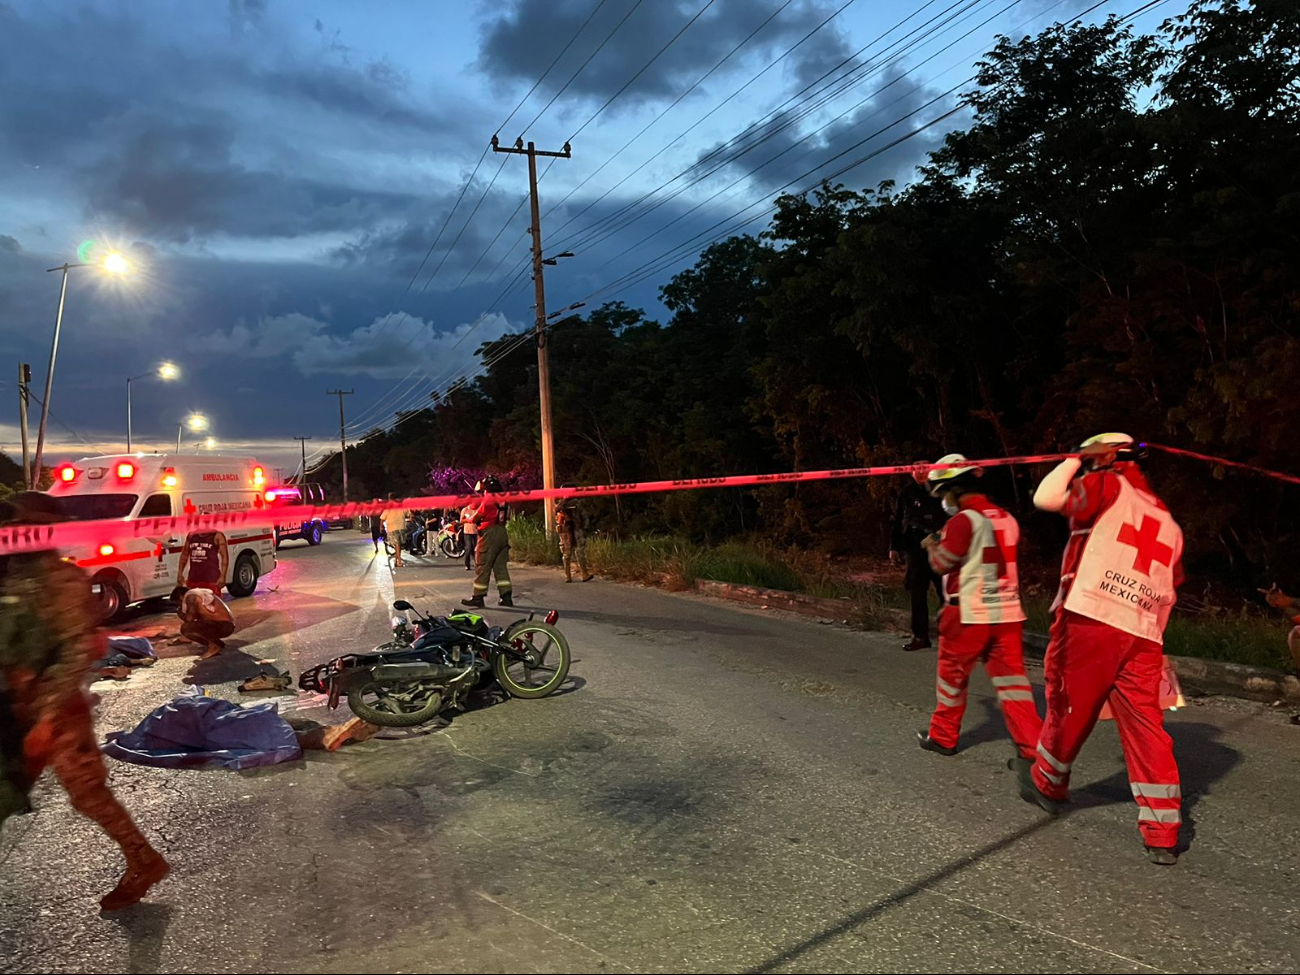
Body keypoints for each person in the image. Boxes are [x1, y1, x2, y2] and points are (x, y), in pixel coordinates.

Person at [1020, 433, 1186, 865]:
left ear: (1106, 456)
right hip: (1144, 632)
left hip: (1093, 617)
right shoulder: (1168, 521)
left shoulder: (1108, 484)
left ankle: (1048, 781)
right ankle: (1163, 829)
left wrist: (1074, 460)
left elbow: (1046, 496)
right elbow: (1171, 586)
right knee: (1146, 726)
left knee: (1069, 705)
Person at [0, 492, 169, 910]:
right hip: (14, 709)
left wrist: (45, 717)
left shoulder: (63, 580)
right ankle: (143, 859)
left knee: (87, 793)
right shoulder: (11, 576)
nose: (11, 533)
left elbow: (77, 649)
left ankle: (143, 860)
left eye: (18, 526)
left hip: (54, 712)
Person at [917, 454, 1041, 761]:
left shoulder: (962, 521)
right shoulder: (1006, 518)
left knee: (952, 679)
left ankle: (943, 737)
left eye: (943, 493)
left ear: (954, 490)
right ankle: (1034, 751)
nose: (943, 500)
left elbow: (942, 564)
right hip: (1008, 612)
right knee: (1015, 687)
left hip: (968, 613)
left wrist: (932, 544)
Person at [891, 461, 947, 650]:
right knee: (917, 593)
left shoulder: (940, 489)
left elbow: (950, 516)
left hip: (939, 546)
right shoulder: (906, 492)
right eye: (919, 470)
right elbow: (898, 519)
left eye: (926, 469)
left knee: (946, 592)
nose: (923, 473)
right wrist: (895, 547)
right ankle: (920, 636)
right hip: (915, 548)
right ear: (911, 472)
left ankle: (951, 636)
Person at [462, 476, 512, 608]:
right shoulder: (504, 499)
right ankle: (506, 597)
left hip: (489, 534)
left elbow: (477, 516)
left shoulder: (489, 499)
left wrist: (467, 519)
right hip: (502, 532)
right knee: (500, 567)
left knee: (482, 565)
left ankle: (478, 597)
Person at [173, 586, 237, 660]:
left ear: (181, 597)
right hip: (227, 625)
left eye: (178, 603)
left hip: (224, 625)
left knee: (186, 628)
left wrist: (180, 613)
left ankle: (213, 646)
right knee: (196, 625)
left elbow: (189, 619)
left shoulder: (190, 597)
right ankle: (217, 643)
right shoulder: (198, 593)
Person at [177, 527, 229, 596]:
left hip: (211, 580)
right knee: (194, 604)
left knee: (211, 605)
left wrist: (223, 576)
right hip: (194, 579)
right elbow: (184, 555)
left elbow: (225, 557)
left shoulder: (217, 535)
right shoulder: (191, 535)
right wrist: (180, 573)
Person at [556, 496, 594, 583]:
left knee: (567, 554)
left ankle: (568, 576)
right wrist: (585, 529)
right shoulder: (577, 503)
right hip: (574, 530)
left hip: (568, 531)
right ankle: (584, 574)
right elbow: (585, 517)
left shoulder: (560, 505)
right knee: (579, 552)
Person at [382, 493, 410, 569]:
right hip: (401, 527)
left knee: (397, 545)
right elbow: (409, 514)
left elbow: (382, 518)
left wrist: (381, 527)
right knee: (398, 545)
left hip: (392, 528)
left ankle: (398, 561)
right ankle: (397, 560)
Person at [460, 497, 478, 571]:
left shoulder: (477, 510)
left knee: (476, 548)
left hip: (476, 531)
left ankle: (477, 563)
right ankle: (467, 564)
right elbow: (461, 520)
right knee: (468, 548)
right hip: (467, 532)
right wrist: (468, 520)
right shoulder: (465, 510)